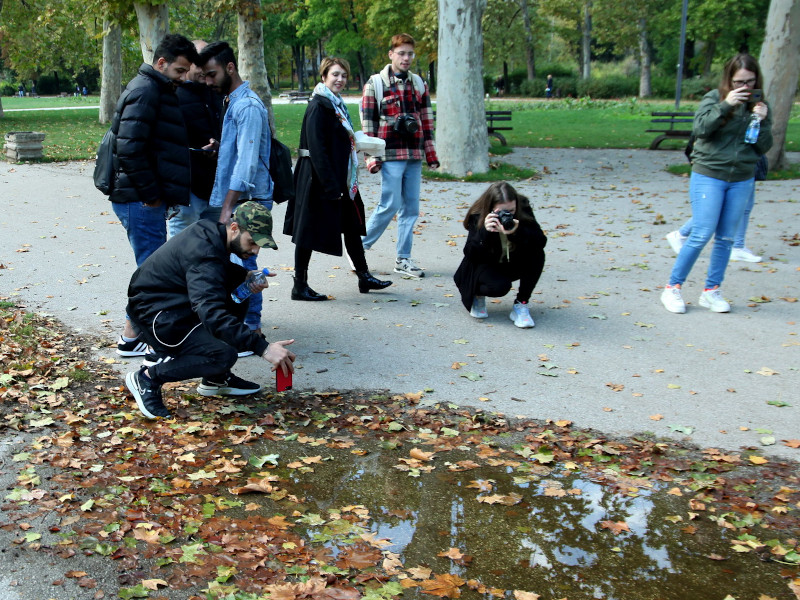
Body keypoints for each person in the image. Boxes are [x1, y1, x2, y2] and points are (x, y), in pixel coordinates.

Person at [125, 202, 296, 419]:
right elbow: (211, 311)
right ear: (234, 228)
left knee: (239, 294)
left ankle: (216, 378)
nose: (255, 250)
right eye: (252, 242)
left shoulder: (211, 233)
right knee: (222, 355)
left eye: (259, 245)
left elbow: (213, 270)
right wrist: (263, 348)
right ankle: (148, 378)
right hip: (157, 315)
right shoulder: (204, 252)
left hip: (173, 301)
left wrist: (244, 276)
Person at [660, 54, 772, 314]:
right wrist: (725, 105)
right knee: (701, 232)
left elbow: (764, 146)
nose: (744, 88)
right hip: (709, 173)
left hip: (742, 177)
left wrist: (763, 121)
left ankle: (711, 291)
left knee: (726, 238)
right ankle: (672, 288)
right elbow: (700, 129)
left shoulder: (760, 104)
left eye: (750, 82)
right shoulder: (714, 97)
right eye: (738, 82)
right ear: (728, 80)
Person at [110, 34, 198, 356]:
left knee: (152, 274)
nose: (183, 76)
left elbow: (154, 144)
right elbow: (129, 149)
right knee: (154, 277)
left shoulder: (156, 89)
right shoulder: (146, 91)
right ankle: (145, 340)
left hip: (142, 197)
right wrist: (151, 196)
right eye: (179, 69)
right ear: (161, 63)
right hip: (139, 199)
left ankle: (132, 337)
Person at [283, 57, 392, 300]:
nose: (340, 79)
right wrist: (331, 186)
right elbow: (317, 148)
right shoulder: (319, 106)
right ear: (324, 77)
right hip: (318, 178)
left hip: (338, 176)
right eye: (335, 74)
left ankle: (364, 277)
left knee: (351, 224)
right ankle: (299, 285)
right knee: (306, 231)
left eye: (343, 75)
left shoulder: (335, 105)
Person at [198, 41, 272, 333]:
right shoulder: (233, 102)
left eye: (211, 74)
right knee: (237, 265)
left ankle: (250, 327)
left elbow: (247, 165)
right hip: (240, 199)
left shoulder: (248, 105)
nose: (207, 81)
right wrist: (222, 147)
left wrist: (227, 208)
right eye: (204, 75)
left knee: (244, 263)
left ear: (230, 67)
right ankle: (244, 324)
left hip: (248, 200)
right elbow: (240, 153)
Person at [359, 33, 439, 278]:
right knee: (390, 203)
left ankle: (403, 259)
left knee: (411, 208)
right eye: (401, 53)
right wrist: (372, 157)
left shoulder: (418, 83)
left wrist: (431, 154)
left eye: (410, 54)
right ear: (391, 54)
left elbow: (426, 120)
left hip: (413, 153)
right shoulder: (376, 83)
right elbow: (368, 123)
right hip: (390, 152)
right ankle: (359, 249)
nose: (406, 58)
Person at [454, 182, 547, 329]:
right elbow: (470, 254)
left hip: (510, 261)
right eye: (502, 212)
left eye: (511, 210)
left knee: (537, 254)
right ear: (490, 208)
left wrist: (516, 232)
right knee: (499, 288)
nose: (507, 215)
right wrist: (484, 232)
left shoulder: (523, 207)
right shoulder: (478, 214)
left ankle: (521, 304)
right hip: (485, 264)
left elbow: (541, 241)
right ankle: (477, 294)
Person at [169, 40, 224, 237]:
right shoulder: (173, 95)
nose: (203, 69)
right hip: (188, 189)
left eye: (207, 64)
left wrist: (218, 146)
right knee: (181, 249)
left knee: (216, 248)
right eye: (199, 63)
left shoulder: (216, 94)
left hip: (215, 187)